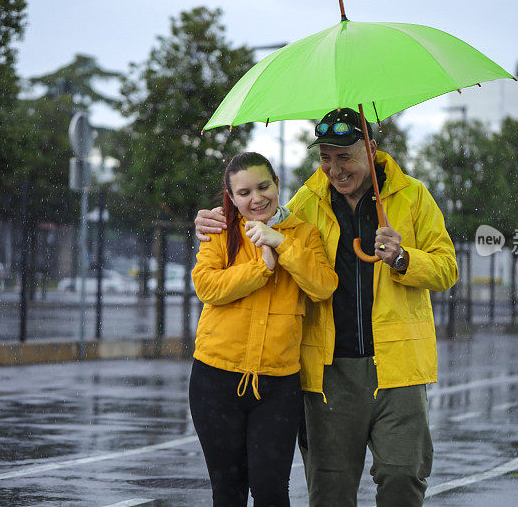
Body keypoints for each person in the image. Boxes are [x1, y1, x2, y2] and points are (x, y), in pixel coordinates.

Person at [195, 108, 458, 506]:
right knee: (330, 490)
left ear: (370, 149)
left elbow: (447, 269)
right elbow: (270, 219)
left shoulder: (413, 197)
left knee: (403, 476)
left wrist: (404, 258)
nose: (336, 169)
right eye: (326, 158)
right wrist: (216, 218)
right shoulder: (308, 201)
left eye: (346, 156)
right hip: (329, 371)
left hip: (400, 365)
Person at [189, 151, 338, 507]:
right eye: (243, 193)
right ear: (231, 196)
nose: (256, 199)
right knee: (228, 492)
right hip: (215, 378)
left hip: (277, 385)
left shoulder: (303, 233)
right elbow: (207, 286)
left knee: (271, 492)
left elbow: (323, 286)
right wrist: (261, 270)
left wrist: (280, 244)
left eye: (263, 186)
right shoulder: (220, 229)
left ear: (277, 185)